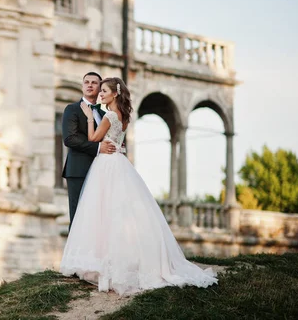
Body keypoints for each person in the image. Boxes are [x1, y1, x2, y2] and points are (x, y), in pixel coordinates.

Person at [59, 76, 218, 295]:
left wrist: (90, 121)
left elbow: (95, 137)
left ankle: (101, 263)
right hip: (105, 165)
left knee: (105, 214)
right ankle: (96, 261)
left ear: (113, 93)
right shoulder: (108, 114)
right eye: (88, 83)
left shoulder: (108, 115)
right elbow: (71, 139)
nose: (96, 90)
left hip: (105, 166)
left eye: (101, 87)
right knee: (99, 215)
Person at [61, 72, 117, 229]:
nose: (90, 85)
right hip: (78, 171)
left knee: (99, 217)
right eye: (86, 82)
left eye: (94, 82)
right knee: (79, 216)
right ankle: (75, 253)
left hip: (101, 170)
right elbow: (69, 139)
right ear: (82, 86)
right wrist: (99, 147)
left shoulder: (105, 114)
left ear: (100, 88)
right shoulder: (71, 109)